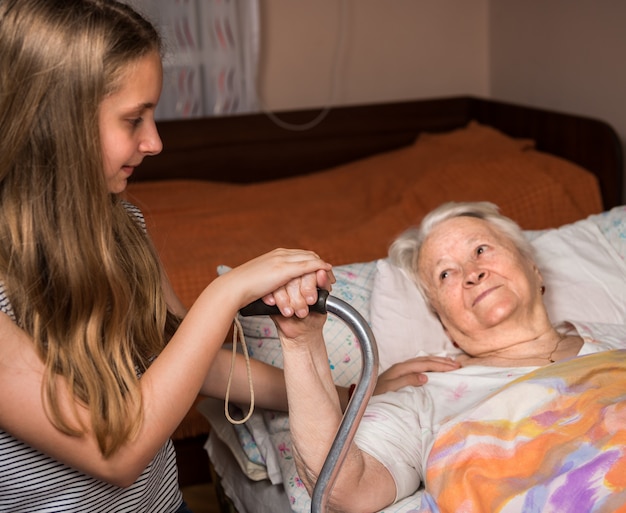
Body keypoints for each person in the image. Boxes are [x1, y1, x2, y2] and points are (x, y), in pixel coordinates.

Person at [0, 2, 337, 512]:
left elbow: (186, 361)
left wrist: (344, 392)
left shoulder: (122, 227)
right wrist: (225, 294)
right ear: (53, 124)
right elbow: (115, 454)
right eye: (133, 119)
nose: (154, 141)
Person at [271, 201, 626, 512]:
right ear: (441, 316)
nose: (472, 274)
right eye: (446, 273)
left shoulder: (616, 340)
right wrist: (302, 343)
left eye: (482, 250)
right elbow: (343, 490)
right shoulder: (425, 393)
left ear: (533, 267)